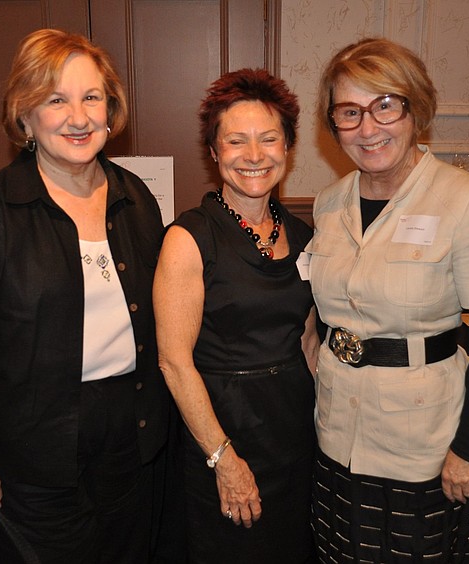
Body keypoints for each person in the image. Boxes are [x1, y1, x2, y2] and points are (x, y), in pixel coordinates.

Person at [0, 29, 171, 563]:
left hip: (131, 443)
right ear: (25, 115)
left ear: (111, 109)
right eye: (55, 100)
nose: (78, 117)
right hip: (31, 459)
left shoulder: (137, 199)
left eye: (91, 97)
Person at [306, 38, 469, 562]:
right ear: (333, 126)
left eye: (385, 105)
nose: (368, 128)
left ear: (415, 109)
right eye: (349, 112)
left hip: (422, 443)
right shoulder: (329, 202)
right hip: (337, 432)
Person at [153, 68, 319, 563]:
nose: (253, 155)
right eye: (236, 141)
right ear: (214, 152)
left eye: (269, 139)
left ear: (287, 148)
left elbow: (309, 342)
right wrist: (224, 460)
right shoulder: (189, 238)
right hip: (223, 436)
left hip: (294, 437)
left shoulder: (305, 236)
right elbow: (173, 363)